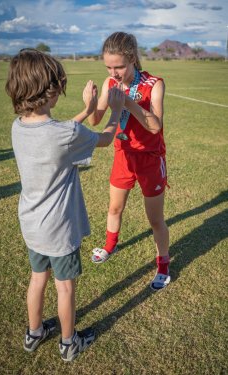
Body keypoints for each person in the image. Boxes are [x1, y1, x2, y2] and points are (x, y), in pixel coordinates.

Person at [5, 48, 124, 362]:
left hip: (32, 225)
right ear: (51, 91)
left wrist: (86, 111)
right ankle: (69, 343)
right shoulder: (65, 134)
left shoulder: (19, 127)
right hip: (59, 230)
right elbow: (104, 138)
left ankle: (34, 334)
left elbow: (59, 135)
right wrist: (116, 110)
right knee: (65, 288)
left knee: (37, 280)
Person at [88, 32, 170, 291]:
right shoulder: (109, 82)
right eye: (109, 67)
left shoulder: (155, 83)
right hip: (123, 155)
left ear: (133, 58)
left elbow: (155, 126)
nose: (114, 72)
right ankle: (110, 245)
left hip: (149, 158)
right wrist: (91, 105)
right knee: (114, 209)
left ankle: (163, 265)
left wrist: (127, 102)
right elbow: (95, 121)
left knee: (155, 220)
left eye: (119, 66)